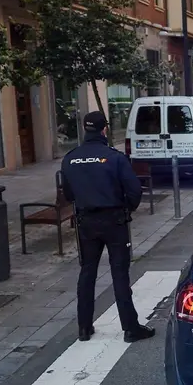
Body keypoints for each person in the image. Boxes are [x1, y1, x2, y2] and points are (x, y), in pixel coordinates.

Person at [61, 111, 155, 344]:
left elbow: (68, 194)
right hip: (114, 221)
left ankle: (84, 327)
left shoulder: (70, 158)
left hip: (86, 222)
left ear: (85, 129)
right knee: (119, 274)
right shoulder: (114, 158)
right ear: (105, 130)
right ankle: (130, 328)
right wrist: (126, 210)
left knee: (87, 273)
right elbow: (134, 191)